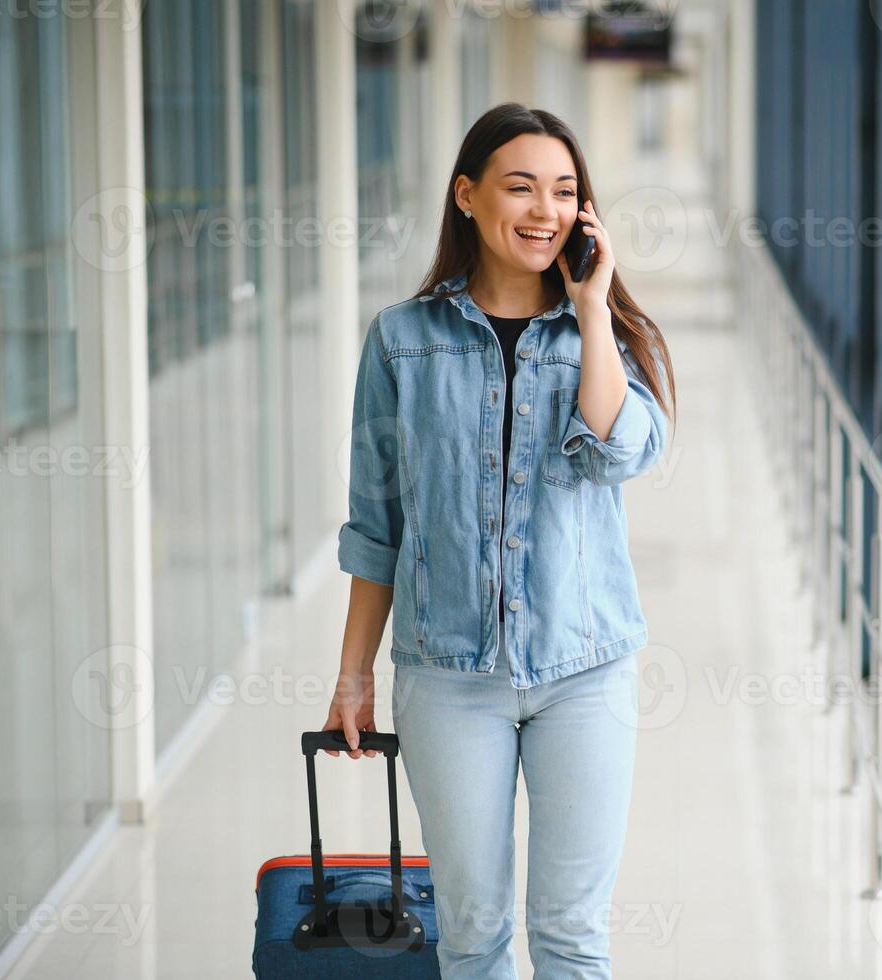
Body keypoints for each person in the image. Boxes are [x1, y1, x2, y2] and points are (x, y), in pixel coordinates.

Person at [320, 102, 676, 978]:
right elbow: (378, 525)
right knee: (473, 938)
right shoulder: (401, 342)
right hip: (449, 679)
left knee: (569, 937)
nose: (543, 210)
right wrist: (354, 676)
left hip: (583, 672)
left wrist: (592, 309)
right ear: (467, 196)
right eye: (520, 187)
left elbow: (617, 451)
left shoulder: (598, 337)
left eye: (564, 192)